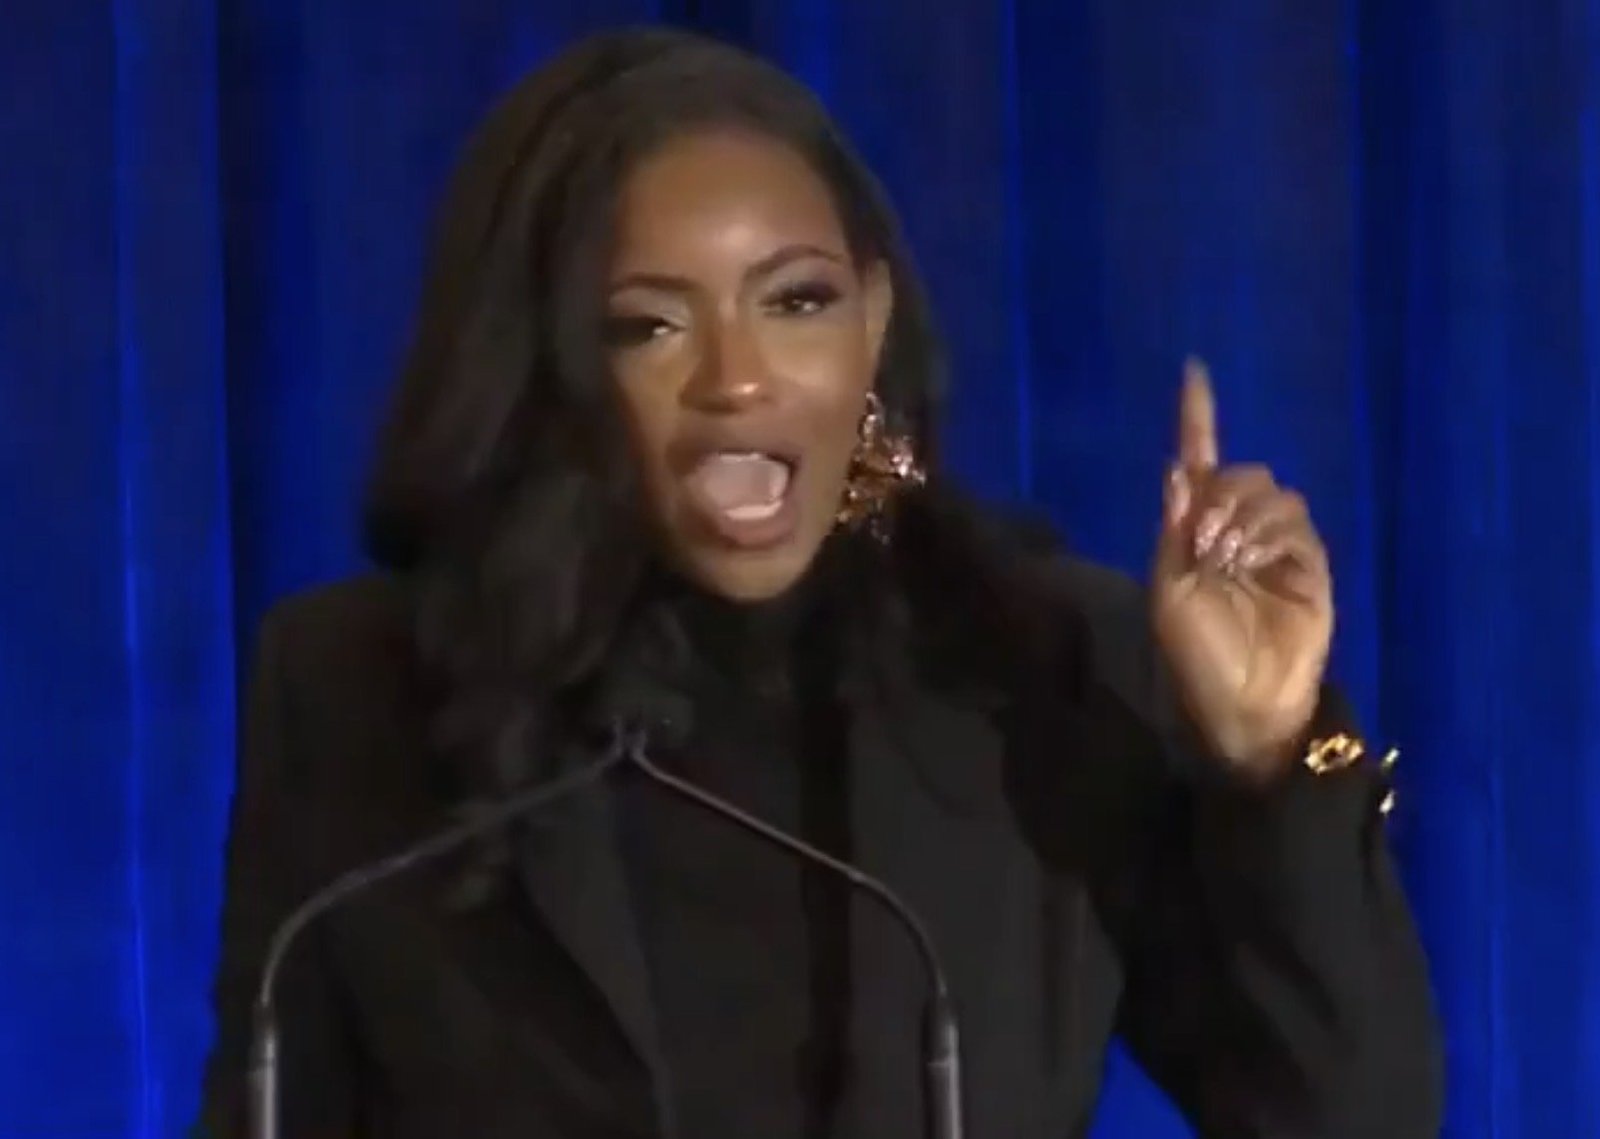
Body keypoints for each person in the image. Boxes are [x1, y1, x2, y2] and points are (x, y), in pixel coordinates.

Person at [195, 25, 1443, 1139]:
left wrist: (1274, 755)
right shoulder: (361, 691)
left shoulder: (1039, 667)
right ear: (550, 360)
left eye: (796, 300)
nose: (737, 379)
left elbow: (1352, 1115)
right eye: (649, 323)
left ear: (872, 321)